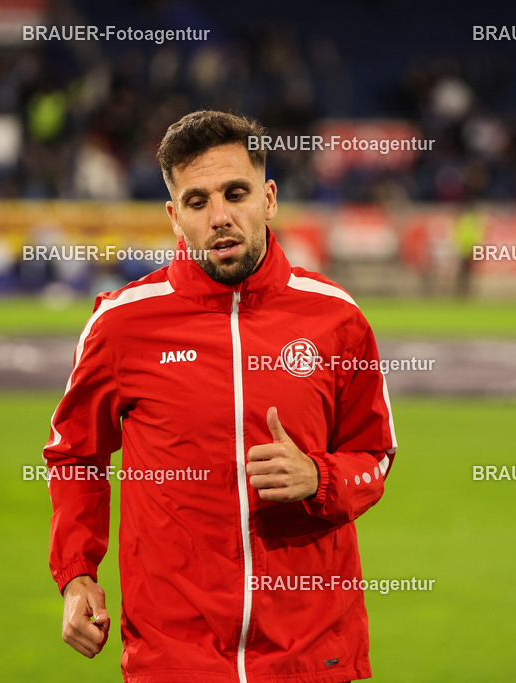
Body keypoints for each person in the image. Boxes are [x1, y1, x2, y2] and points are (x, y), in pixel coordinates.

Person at [43, 110, 397, 682]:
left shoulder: (337, 318)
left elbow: (374, 455)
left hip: (308, 655)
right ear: (174, 216)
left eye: (236, 193)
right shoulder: (122, 324)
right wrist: (78, 571)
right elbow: (74, 453)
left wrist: (320, 478)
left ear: (270, 198)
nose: (221, 216)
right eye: (198, 201)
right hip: (173, 659)